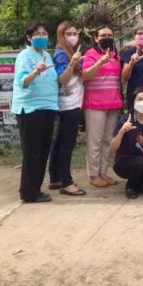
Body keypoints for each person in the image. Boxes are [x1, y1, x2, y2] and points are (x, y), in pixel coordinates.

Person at [11, 20, 59, 203]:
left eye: (44, 34)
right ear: (29, 38)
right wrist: (35, 72)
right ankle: (28, 192)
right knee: (32, 152)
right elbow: (22, 81)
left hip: (48, 107)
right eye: (37, 34)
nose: (41, 37)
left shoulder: (46, 55)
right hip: (30, 109)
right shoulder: (24, 56)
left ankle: (35, 189)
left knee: (43, 150)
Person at [82, 25, 123, 188]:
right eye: (103, 35)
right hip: (95, 104)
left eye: (110, 35)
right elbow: (86, 75)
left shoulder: (115, 54)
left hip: (113, 102)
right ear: (96, 38)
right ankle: (94, 174)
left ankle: (103, 172)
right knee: (95, 140)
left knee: (107, 140)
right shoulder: (90, 54)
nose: (107, 38)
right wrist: (100, 62)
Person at [48, 21, 86, 196]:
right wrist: (72, 64)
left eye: (75, 33)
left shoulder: (69, 52)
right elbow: (62, 79)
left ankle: (55, 177)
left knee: (59, 141)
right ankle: (66, 182)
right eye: (68, 34)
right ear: (61, 35)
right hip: (68, 105)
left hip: (71, 103)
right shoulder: (62, 54)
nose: (72, 37)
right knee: (67, 144)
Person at [111, 87, 143, 199]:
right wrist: (121, 132)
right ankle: (131, 187)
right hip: (123, 163)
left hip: (142, 160)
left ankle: (137, 183)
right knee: (141, 162)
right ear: (133, 101)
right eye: (140, 99)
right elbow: (112, 148)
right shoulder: (124, 120)